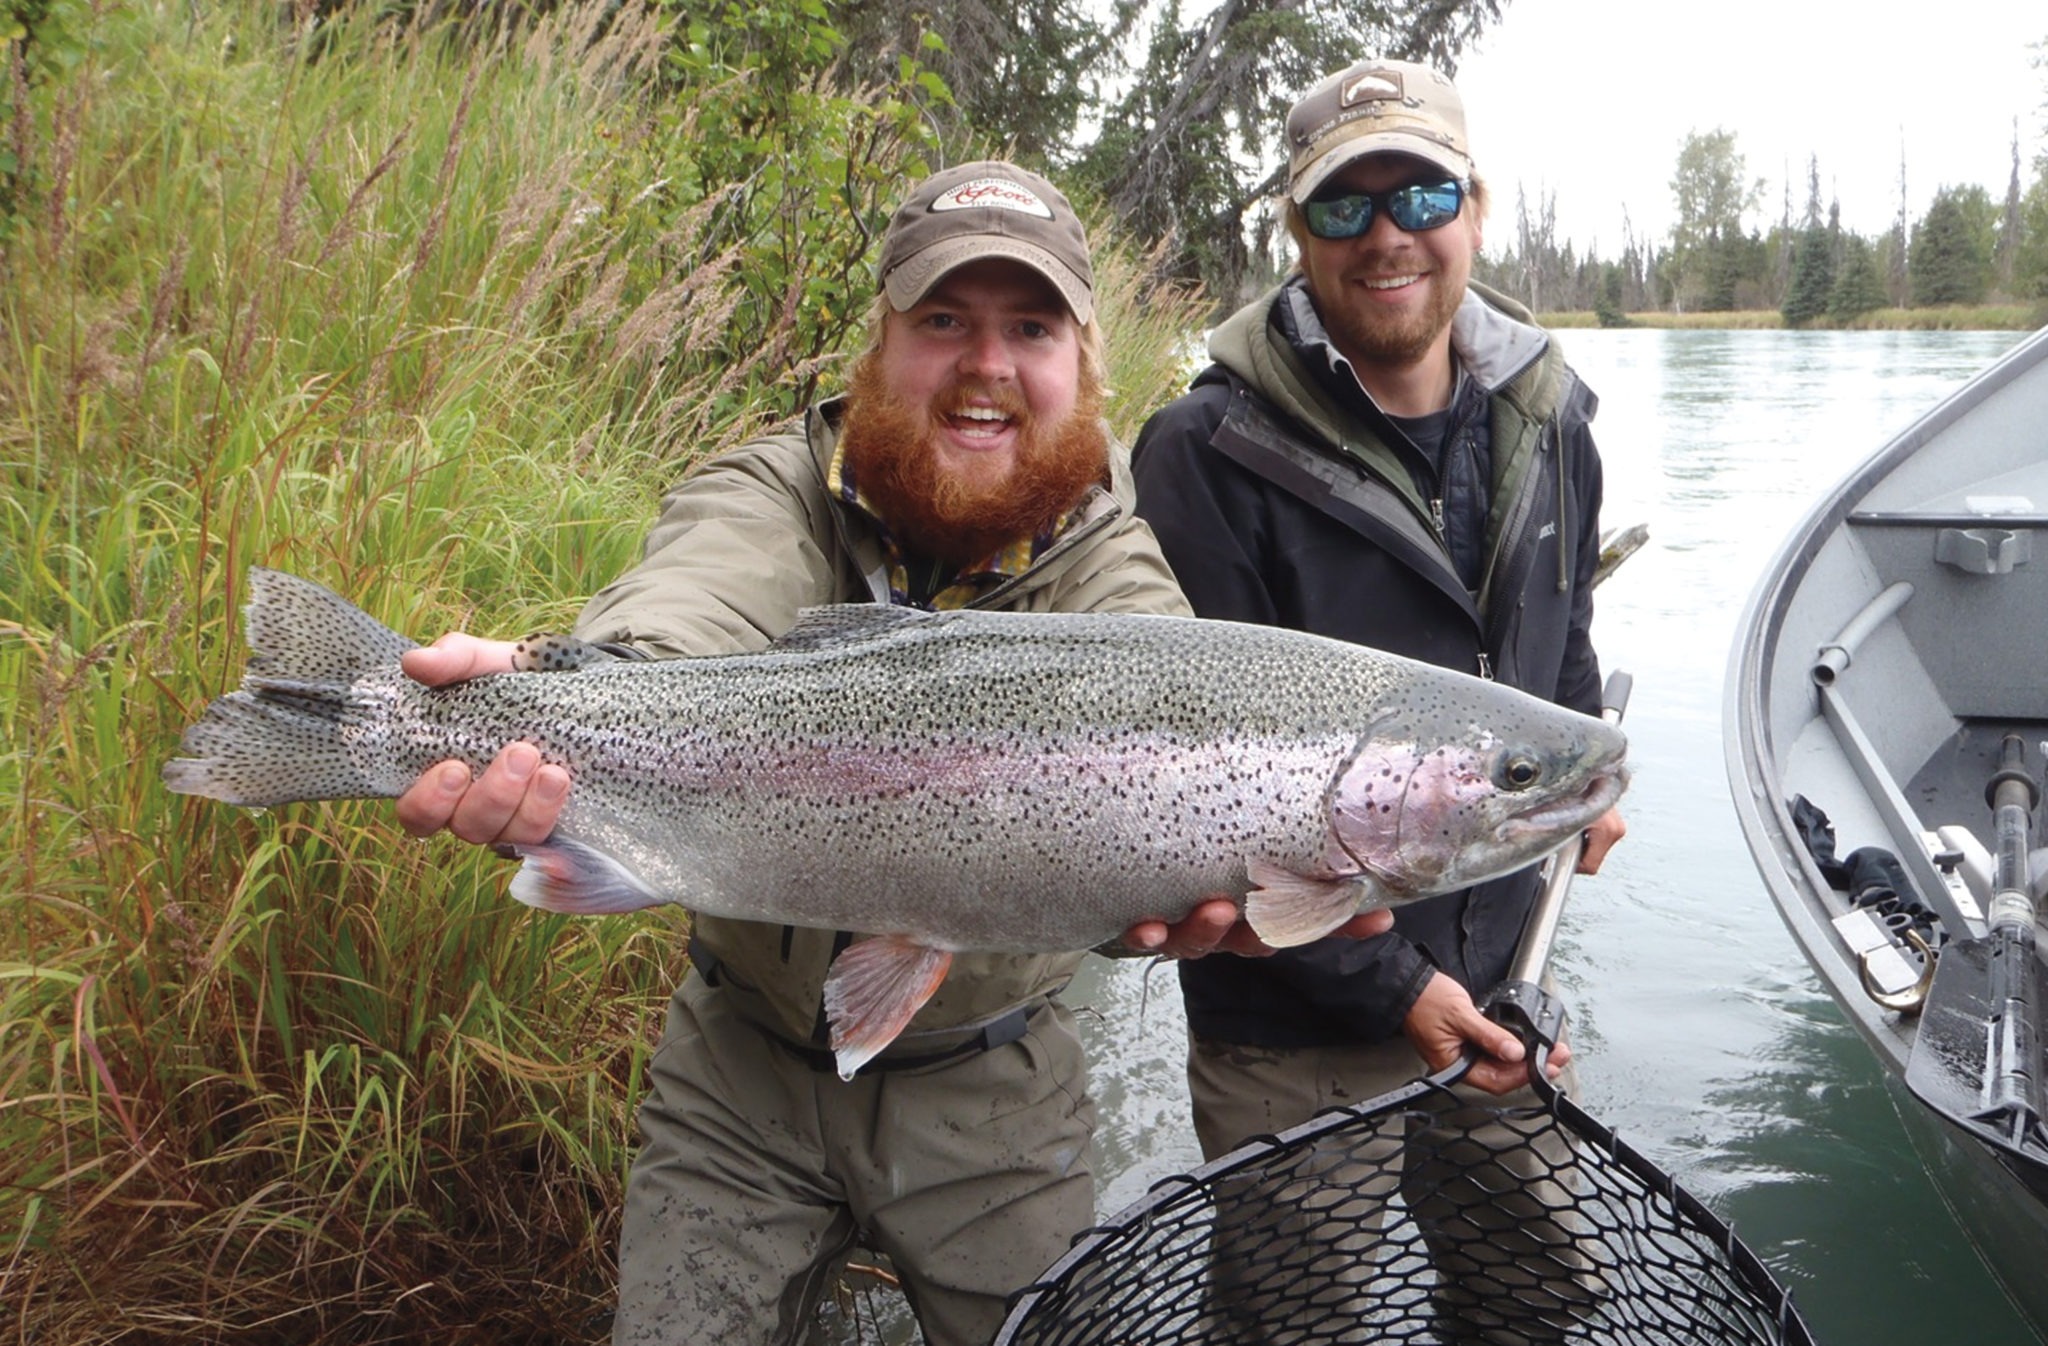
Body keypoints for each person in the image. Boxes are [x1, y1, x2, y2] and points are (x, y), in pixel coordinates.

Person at [388, 160, 1390, 1346]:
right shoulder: (775, 483)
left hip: (995, 1091)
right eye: (942, 322)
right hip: (736, 1072)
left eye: (1028, 326)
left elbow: (1162, 682)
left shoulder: (1111, 564)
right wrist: (572, 692)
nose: (985, 364)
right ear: (882, 343)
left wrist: (1188, 873)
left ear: (1081, 364)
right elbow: (689, 599)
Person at [1128, 58, 1627, 1342]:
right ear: (1296, 233)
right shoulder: (1201, 449)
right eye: (1342, 207)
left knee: (1538, 1291)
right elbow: (1193, 781)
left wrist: (1580, 781)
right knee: (1295, 1319)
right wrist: (1396, 987)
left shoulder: (1551, 415)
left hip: (1496, 972)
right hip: (1286, 1002)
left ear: (1474, 205)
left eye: (1418, 192)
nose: (1387, 235)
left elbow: (1557, 639)